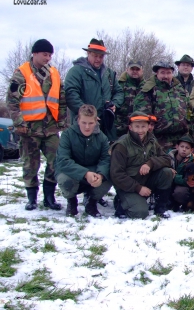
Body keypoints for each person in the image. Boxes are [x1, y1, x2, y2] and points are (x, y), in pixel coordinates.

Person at [7, 38, 67, 211]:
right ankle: (31, 198)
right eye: (44, 54)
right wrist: (19, 123)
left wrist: (61, 119)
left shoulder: (54, 73)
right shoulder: (22, 74)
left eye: (49, 55)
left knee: (56, 161)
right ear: (35, 53)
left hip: (50, 129)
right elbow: (12, 102)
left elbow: (61, 99)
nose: (47, 58)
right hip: (29, 129)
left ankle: (49, 196)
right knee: (30, 164)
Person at [110, 112, 173, 219]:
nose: (140, 130)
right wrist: (138, 188)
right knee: (140, 213)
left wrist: (150, 163)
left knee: (166, 172)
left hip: (147, 180)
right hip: (128, 186)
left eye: (143, 126)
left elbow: (167, 159)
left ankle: (160, 207)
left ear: (148, 126)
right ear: (130, 127)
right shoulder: (122, 145)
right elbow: (116, 174)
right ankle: (122, 203)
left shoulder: (152, 140)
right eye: (137, 126)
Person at [55, 105, 112, 217]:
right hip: (72, 173)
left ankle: (92, 202)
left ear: (96, 121)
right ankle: (72, 202)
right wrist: (85, 173)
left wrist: (100, 175)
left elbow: (106, 159)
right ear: (78, 120)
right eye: (84, 122)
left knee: (109, 175)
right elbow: (63, 160)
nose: (87, 127)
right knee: (64, 179)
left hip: (93, 172)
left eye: (90, 123)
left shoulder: (102, 138)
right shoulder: (67, 135)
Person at [64, 38, 123, 141]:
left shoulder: (109, 73)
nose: (98, 59)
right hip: (84, 126)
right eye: (95, 56)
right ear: (88, 53)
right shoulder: (76, 72)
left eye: (101, 56)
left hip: (107, 127)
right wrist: (88, 114)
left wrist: (114, 104)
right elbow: (71, 95)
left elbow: (119, 92)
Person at [133, 61, 189, 151]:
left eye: (168, 73)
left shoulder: (180, 89)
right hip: (159, 139)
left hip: (181, 138)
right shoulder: (148, 90)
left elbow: (188, 109)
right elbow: (142, 115)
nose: (166, 76)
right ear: (157, 73)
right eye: (162, 73)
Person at [115, 60, 144, 137]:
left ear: (142, 71)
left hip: (140, 127)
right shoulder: (119, 85)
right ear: (127, 70)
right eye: (132, 69)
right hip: (120, 127)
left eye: (137, 69)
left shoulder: (146, 86)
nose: (135, 71)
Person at [168, 136, 194, 211]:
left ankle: (182, 203)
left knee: (181, 193)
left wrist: (174, 176)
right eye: (182, 146)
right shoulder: (167, 157)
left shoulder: (193, 161)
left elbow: (187, 179)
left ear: (192, 150)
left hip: (183, 185)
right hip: (168, 184)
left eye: (187, 148)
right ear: (177, 147)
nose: (184, 149)